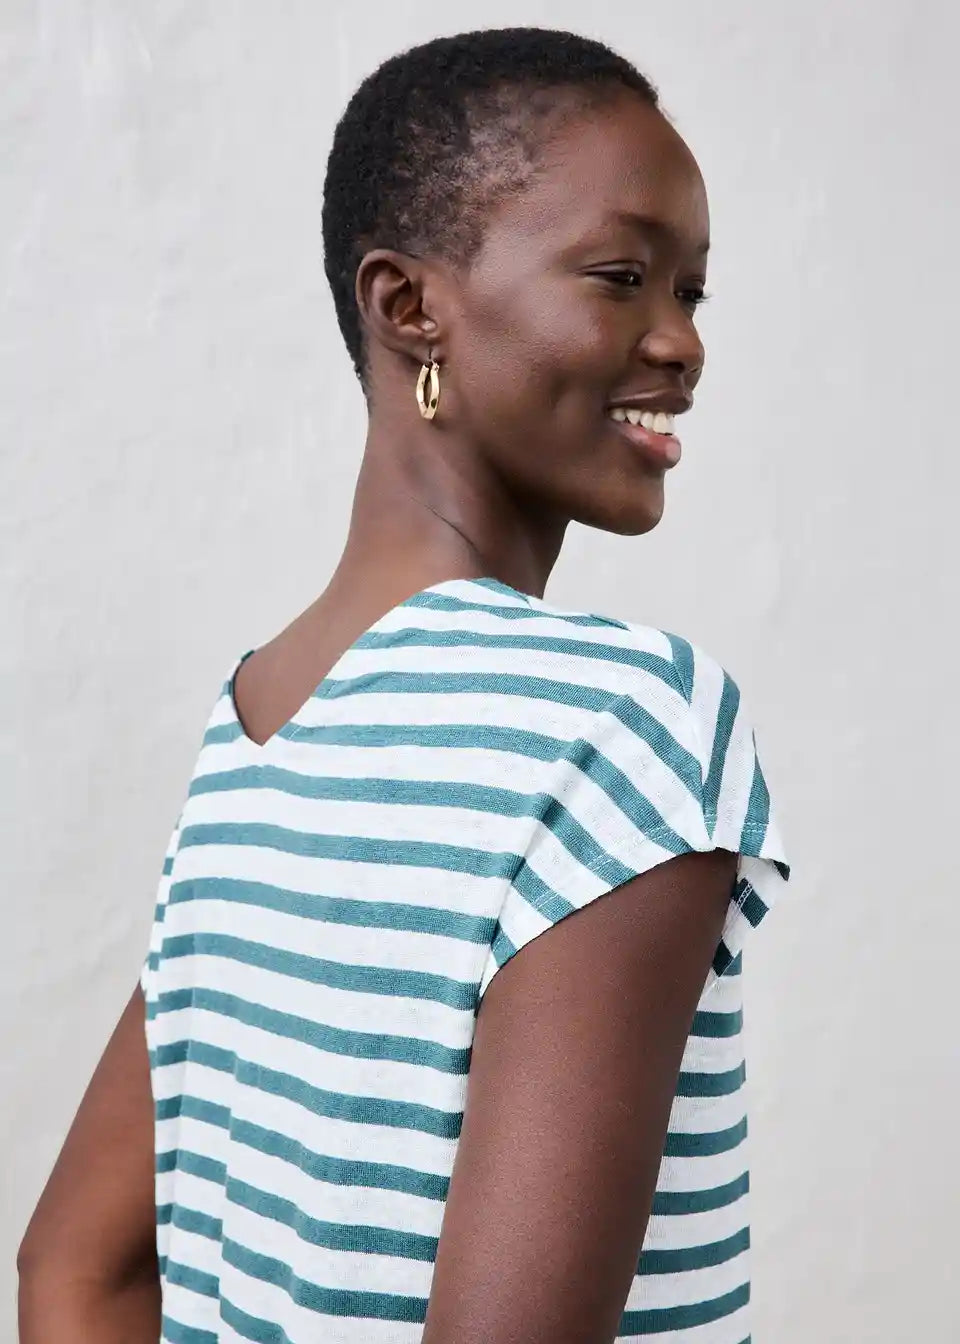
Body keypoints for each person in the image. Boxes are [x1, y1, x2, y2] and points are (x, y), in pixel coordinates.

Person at [17, 25, 793, 1344]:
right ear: (407, 305)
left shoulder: (256, 726)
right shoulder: (623, 723)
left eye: (692, 293)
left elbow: (74, 1271)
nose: (681, 342)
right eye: (622, 277)